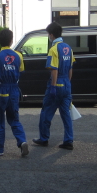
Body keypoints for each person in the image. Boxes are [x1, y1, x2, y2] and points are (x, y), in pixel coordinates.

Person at [33, 22, 76, 150]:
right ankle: (68, 140)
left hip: (56, 84)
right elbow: (70, 69)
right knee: (66, 115)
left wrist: (53, 86)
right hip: (67, 85)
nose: (49, 36)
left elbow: (54, 69)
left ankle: (44, 138)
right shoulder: (68, 48)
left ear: (51, 35)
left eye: (48, 34)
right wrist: (67, 83)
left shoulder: (53, 49)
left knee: (46, 112)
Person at [0, 28, 28, 157]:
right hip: (14, 89)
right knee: (14, 119)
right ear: (11, 40)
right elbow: (21, 71)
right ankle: (22, 141)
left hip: (1, 89)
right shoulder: (18, 55)